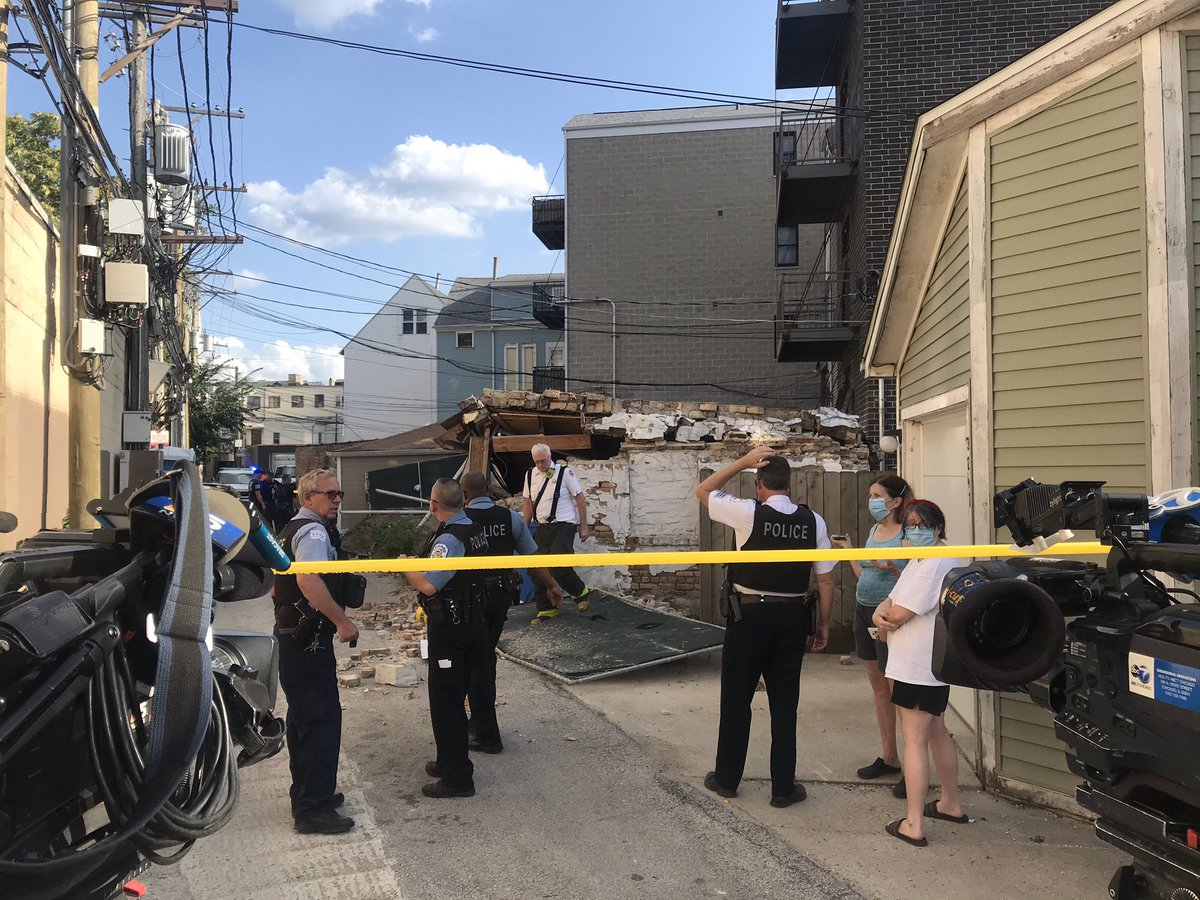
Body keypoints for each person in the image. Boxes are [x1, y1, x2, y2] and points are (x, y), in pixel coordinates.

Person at [696, 446, 836, 808]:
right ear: (788, 484)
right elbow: (826, 583)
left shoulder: (747, 512)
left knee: (737, 699)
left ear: (759, 485)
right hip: (792, 619)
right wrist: (822, 626)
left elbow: (704, 491)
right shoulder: (814, 522)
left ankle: (727, 779)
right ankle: (783, 789)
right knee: (785, 704)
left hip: (749, 618)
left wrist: (742, 461)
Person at [873, 499, 971, 847]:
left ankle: (913, 823)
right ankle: (950, 803)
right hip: (928, 663)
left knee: (914, 740)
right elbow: (889, 602)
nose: (914, 530)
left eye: (921, 525)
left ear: (938, 528)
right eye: (909, 525)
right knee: (936, 732)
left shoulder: (935, 562)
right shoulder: (923, 558)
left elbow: (897, 614)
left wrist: (884, 620)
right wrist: (881, 617)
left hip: (918, 665)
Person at [272, 468, 359, 835]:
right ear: (308, 498)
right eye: (330, 494)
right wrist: (342, 621)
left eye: (339, 494)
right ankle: (312, 809)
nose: (337, 500)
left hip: (295, 638)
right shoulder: (311, 531)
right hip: (306, 641)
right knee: (320, 721)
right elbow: (308, 580)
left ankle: (311, 792)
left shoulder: (291, 528)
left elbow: (276, 588)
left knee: (305, 720)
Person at [460, 471, 563, 753]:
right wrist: (552, 585)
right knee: (482, 659)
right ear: (489, 492)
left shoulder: (460, 521)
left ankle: (485, 733)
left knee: (476, 663)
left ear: (464, 494)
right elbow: (533, 558)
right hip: (501, 598)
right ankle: (478, 724)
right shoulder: (511, 519)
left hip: (469, 600)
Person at [403, 478, 493, 798]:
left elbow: (429, 585)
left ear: (433, 505)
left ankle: (457, 778)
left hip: (451, 628)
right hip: (473, 623)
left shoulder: (450, 540)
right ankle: (447, 761)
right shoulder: (473, 527)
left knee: (446, 703)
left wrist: (406, 567)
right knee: (454, 695)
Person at [830, 475, 910, 794]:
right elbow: (865, 574)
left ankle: (913, 764)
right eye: (870, 495)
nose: (871, 500)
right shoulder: (875, 531)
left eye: (878, 495)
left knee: (899, 691)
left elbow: (918, 577)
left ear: (896, 501)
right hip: (864, 610)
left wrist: (893, 569)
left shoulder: (908, 534)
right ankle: (890, 757)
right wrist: (850, 549)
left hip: (891, 617)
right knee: (878, 686)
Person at [521, 443, 593, 622]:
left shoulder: (564, 472)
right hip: (542, 527)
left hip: (564, 524)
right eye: (537, 462)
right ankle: (546, 609)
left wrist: (583, 526)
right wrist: (523, 529)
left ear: (549, 456)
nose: (540, 465)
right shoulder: (530, 475)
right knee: (537, 569)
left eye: (543, 461)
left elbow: (579, 497)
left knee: (559, 564)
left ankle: (580, 593)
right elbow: (528, 504)